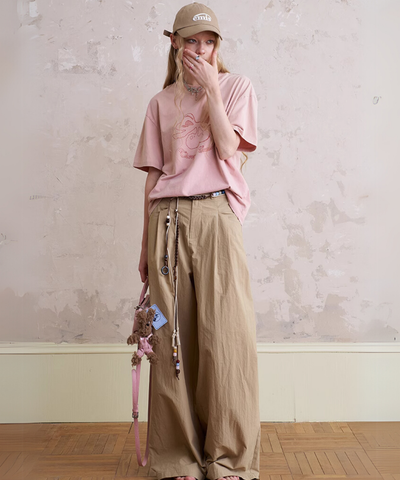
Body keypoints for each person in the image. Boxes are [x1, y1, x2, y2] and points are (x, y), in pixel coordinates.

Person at [133, 3, 260, 480]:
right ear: (175, 43)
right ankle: (177, 458)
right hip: (165, 221)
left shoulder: (236, 87)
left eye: (209, 42)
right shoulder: (159, 102)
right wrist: (143, 246)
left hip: (216, 215)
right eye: (192, 41)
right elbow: (152, 180)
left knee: (227, 337)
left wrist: (211, 90)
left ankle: (228, 460)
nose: (201, 50)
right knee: (170, 338)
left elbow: (229, 149)